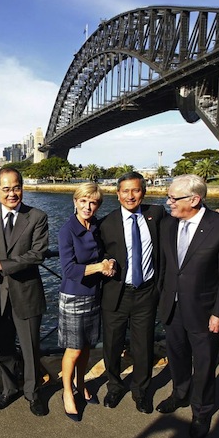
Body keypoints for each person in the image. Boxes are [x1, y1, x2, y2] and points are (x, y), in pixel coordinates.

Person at [157, 174, 219, 438]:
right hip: (172, 305)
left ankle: (202, 412)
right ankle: (180, 394)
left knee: (204, 363)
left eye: (173, 198)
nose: (168, 202)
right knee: (177, 356)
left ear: (194, 200)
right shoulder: (168, 223)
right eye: (168, 197)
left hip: (205, 311)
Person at [0, 167, 49, 416]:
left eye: (16, 188)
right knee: (4, 347)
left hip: (27, 293)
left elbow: (37, 254)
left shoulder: (37, 216)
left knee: (30, 349)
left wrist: (2, 265)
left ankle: (33, 393)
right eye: (6, 189)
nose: (12, 194)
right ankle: (9, 389)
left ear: (22, 187)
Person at [98, 172, 166, 413]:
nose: (130, 196)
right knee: (112, 344)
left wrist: (214, 214)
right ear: (117, 194)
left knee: (143, 345)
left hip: (146, 292)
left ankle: (141, 390)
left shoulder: (156, 214)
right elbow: (97, 252)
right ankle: (114, 386)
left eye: (135, 190)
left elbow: (185, 213)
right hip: (116, 293)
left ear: (143, 193)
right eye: (125, 191)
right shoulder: (106, 223)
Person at [57, 182, 115, 422]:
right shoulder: (67, 230)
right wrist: (99, 267)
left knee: (87, 346)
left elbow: (106, 252)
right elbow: (69, 270)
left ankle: (81, 384)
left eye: (93, 202)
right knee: (74, 349)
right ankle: (67, 391)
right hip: (73, 296)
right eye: (83, 201)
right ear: (75, 201)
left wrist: (109, 262)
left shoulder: (97, 227)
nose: (88, 206)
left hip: (94, 294)